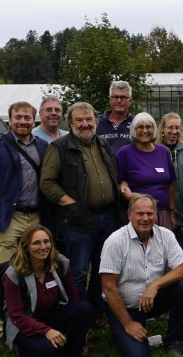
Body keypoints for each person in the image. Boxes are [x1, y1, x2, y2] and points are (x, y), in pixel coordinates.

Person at [0, 101, 48, 342]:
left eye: (27, 118)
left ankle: (32, 320)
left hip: (36, 217)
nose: (23, 122)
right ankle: (0, 329)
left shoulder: (44, 146)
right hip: (8, 218)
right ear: (9, 120)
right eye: (18, 117)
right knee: (4, 273)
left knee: (37, 272)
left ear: (34, 121)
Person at [39, 102, 124, 309]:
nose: (85, 124)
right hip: (77, 220)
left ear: (96, 121)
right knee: (77, 272)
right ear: (70, 123)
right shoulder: (59, 147)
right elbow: (47, 183)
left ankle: (95, 311)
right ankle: (78, 316)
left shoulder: (102, 144)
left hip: (108, 218)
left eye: (89, 119)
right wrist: (71, 204)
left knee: (103, 268)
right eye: (79, 120)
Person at [99, 195, 183, 357]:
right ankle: (122, 330)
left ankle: (174, 341)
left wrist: (155, 285)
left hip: (151, 301)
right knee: (138, 356)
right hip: (125, 306)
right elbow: (108, 287)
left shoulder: (165, 235)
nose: (145, 218)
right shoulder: (115, 241)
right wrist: (128, 323)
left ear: (156, 215)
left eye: (150, 213)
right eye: (140, 214)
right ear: (129, 216)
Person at [1, 224, 94, 357]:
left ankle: (72, 354)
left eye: (46, 241)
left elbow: (73, 298)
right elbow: (17, 316)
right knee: (50, 351)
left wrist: (79, 329)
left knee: (84, 308)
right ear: (26, 247)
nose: (43, 247)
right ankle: (22, 350)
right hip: (23, 324)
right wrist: (47, 331)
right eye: (36, 243)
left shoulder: (60, 263)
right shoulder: (13, 274)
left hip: (51, 316)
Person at [115, 112, 176, 228]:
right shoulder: (125, 153)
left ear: (154, 129)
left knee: (162, 245)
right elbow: (116, 182)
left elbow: (171, 184)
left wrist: (172, 212)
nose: (144, 131)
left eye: (148, 127)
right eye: (140, 127)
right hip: (137, 214)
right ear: (134, 130)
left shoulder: (163, 151)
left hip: (162, 212)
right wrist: (129, 194)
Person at [158, 112, 183, 257]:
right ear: (162, 130)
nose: (174, 131)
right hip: (163, 210)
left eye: (177, 128)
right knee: (163, 252)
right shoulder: (155, 150)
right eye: (170, 128)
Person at [97, 80, 135, 150]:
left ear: (130, 101)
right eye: (115, 97)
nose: (119, 101)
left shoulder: (137, 123)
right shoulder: (96, 122)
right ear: (110, 99)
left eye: (123, 97)